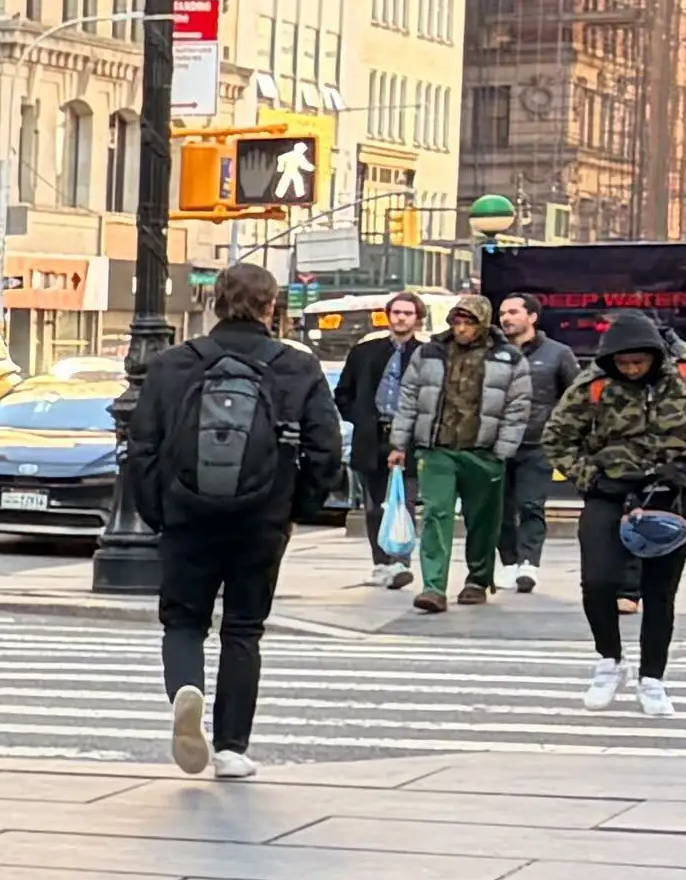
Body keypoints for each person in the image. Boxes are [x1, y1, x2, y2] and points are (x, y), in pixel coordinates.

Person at [117, 263, 342, 778]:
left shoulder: (173, 364)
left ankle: (185, 690)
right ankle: (231, 748)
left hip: (185, 513)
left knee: (183, 621)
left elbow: (142, 445)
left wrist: (159, 510)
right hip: (261, 518)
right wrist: (294, 507)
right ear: (271, 306)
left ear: (215, 302)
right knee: (243, 629)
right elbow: (326, 450)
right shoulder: (296, 366)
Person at [544, 311, 686, 718]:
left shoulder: (684, 378)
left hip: (670, 496)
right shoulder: (592, 386)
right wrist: (589, 478)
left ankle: (653, 679)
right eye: (622, 363)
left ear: (654, 357)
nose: (630, 370)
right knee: (598, 580)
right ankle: (609, 660)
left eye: (638, 363)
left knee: (660, 592)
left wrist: (683, 470)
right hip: (608, 492)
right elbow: (556, 438)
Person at [398, 297, 517, 611]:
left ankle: (477, 579)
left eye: (469, 322)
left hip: (483, 451)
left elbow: (518, 407)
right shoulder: (429, 352)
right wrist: (399, 444)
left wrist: (502, 451)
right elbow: (409, 396)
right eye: (457, 321)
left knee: (482, 520)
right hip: (438, 449)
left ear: (483, 323)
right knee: (436, 514)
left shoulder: (508, 357)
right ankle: (433, 586)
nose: (461, 328)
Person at [335, 289, 423, 580]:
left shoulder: (427, 354)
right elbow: (343, 393)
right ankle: (381, 561)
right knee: (373, 506)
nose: (401, 318)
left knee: (404, 501)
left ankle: (400, 560)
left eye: (407, 313)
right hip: (371, 438)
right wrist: (360, 420)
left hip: (409, 439)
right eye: (396, 312)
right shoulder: (364, 352)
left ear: (417, 318)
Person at [495, 298, 588, 575]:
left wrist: (562, 434)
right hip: (496, 443)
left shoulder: (558, 354)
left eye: (513, 312)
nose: (506, 318)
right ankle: (509, 562)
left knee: (530, 504)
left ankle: (528, 563)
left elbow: (574, 397)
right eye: (502, 313)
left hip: (537, 443)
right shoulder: (492, 352)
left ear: (532, 316)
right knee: (499, 509)